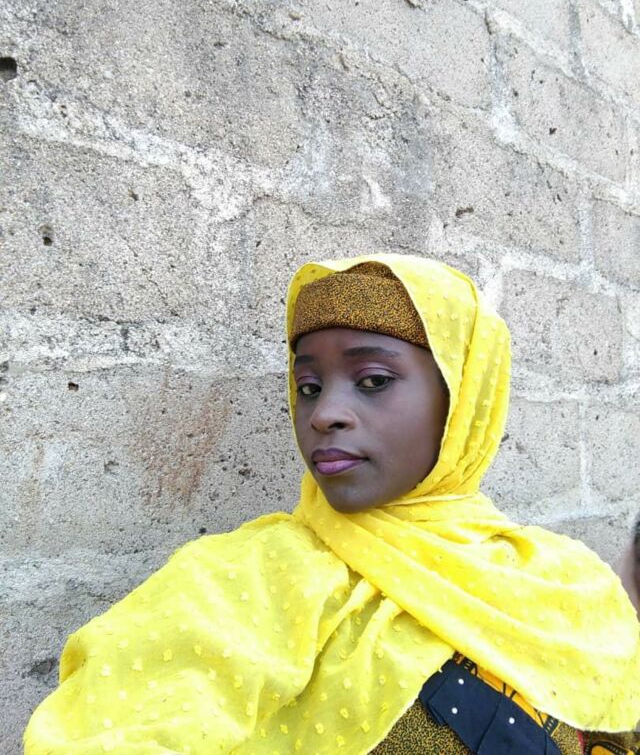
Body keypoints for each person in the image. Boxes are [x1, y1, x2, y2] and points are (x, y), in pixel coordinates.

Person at [24, 254, 640, 754]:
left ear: (463, 401)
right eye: (308, 386)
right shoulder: (247, 582)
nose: (323, 415)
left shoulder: (566, 580)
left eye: (373, 381)